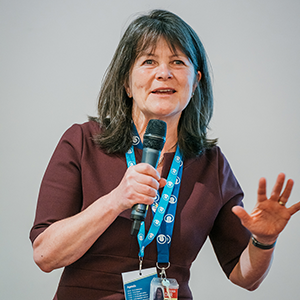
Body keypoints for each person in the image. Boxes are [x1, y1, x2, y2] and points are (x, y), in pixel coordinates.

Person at [30, 9, 300, 300]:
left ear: (195, 82)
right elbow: (46, 255)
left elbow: (244, 276)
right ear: (126, 82)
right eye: (149, 61)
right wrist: (116, 199)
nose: (164, 73)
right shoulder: (84, 141)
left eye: (177, 62)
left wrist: (264, 241)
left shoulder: (211, 163)